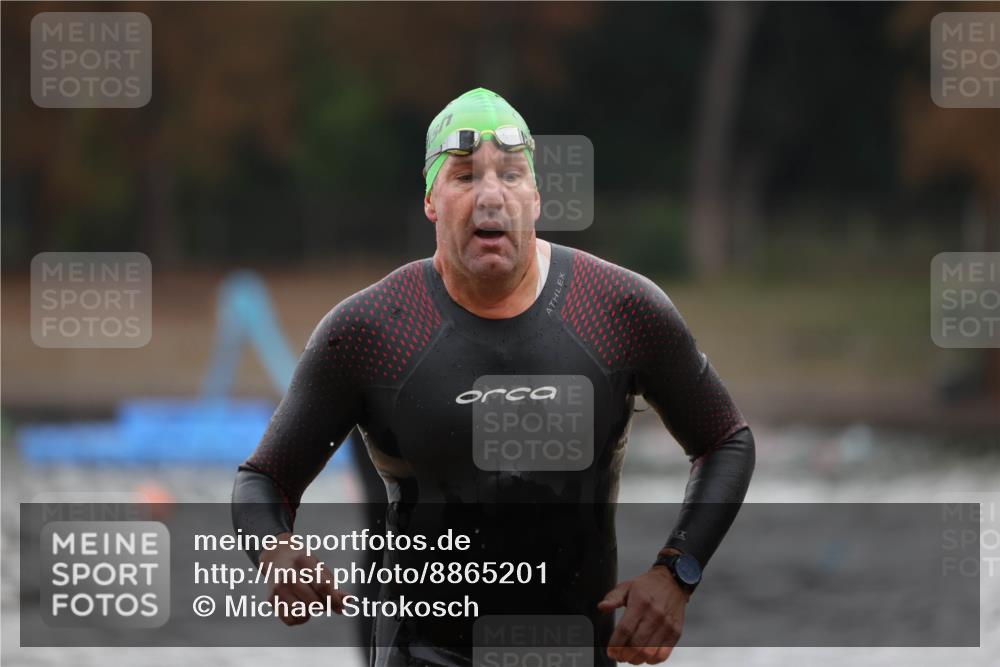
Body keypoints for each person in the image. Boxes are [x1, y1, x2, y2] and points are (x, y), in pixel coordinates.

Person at [232, 87, 755, 666]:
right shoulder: (370, 329)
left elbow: (724, 440)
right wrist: (274, 552)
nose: (490, 197)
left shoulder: (617, 307)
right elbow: (263, 482)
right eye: (463, 177)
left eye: (510, 175)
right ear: (430, 200)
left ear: (536, 196)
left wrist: (677, 572)